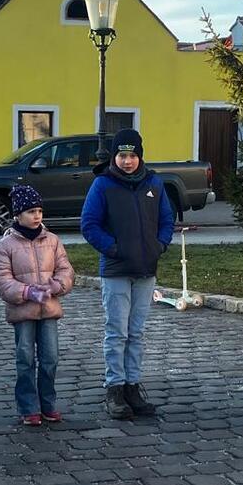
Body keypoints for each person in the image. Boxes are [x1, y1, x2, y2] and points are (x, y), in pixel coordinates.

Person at [81, 129, 176, 422]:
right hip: (116, 271)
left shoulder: (154, 184)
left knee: (136, 333)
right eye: (122, 155)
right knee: (117, 332)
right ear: (114, 157)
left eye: (132, 155)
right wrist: (114, 248)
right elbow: (89, 224)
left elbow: (167, 219)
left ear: (140, 156)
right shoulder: (103, 184)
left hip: (146, 270)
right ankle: (115, 389)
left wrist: (160, 245)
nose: (127, 161)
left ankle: (132, 387)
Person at [0, 183, 76, 426]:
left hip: (49, 309)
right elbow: (1, 279)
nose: (37, 216)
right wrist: (26, 292)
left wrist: (56, 286)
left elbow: (66, 269)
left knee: (50, 358)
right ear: (18, 215)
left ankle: (48, 404)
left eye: (39, 211)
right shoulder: (6, 246)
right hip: (23, 311)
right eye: (31, 211)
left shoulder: (53, 240)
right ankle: (28, 407)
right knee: (25, 358)